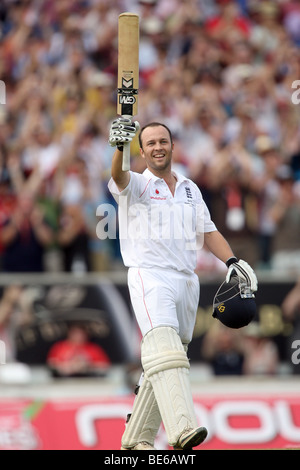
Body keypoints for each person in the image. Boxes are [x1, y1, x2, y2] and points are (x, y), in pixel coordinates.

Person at [108, 118, 258, 450]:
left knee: (168, 360)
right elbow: (118, 175)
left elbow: (207, 231)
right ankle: (182, 427)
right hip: (151, 274)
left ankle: (137, 440)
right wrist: (118, 147)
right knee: (164, 347)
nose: (158, 147)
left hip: (187, 280)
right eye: (150, 143)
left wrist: (232, 262)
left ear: (173, 146)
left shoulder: (190, 187)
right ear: (142, 151)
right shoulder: (136, 184)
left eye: (163, 141)